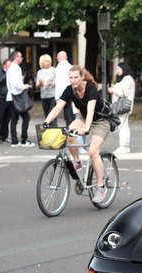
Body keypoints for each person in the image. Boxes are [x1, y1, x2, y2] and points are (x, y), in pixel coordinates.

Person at [44, 66, 111, 203]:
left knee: (93, 152)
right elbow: (58, 108)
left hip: (101, 120)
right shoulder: (70, 90)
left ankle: (101, 186)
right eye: (71, 77)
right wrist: (46, 122)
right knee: (69, 132)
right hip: (84, 118)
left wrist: (86, 128)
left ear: (82, 78)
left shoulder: (91, 88)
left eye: (76, 77)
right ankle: (77, 161)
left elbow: (91, 110)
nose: (73, 80)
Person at [6, 50, 34, 147]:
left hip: (11, 96)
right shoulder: (16, 68)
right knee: (26, 118)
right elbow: (16, 84)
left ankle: (14, 140)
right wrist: (24, 86)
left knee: (14, 119)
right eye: (21, 56)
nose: (22, 58)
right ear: (16, 57)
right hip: (17, 96)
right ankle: (24, 139)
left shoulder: (10, 68)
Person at [108, 62, 135, 154]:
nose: (117, 71)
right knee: (124, 125)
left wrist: (113, 90)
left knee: (122, 126)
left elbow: (125, 93)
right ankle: (125, 146)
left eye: (118, 69)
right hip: (125, 106)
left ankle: (123, 146)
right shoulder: (128, 79)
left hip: (123, 106)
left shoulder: (127, 79)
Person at [0, 59, 12, 145]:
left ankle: (5, 136)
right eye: (8, 66)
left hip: (9, 97)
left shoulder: (12, 73)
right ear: (4, 66)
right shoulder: (0, 73)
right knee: (0, 118)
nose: (10, 68)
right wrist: (7, 74)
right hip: (1, 97)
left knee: (7, 118)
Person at [36, 54, 56, 126]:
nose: (47, 63)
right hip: (44, 95)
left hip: (52, 95)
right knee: (46, 114)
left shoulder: (53, 70)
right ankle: (48, 131)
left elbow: (58, 82)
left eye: (48, 61)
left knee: (52, 114)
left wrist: (51, 84)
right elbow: (37, 86)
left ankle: (54, 130)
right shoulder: (40, 72)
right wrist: (41, 82)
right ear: (42, 62)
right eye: (45, 61)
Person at [54, 51, 73, 127]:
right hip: (71, 93)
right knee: (69, 113)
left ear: (58, 58)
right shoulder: (70, 67)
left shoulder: (59, 67)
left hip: (62, 93)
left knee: (57, 112)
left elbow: (58, 82)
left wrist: (56, 97)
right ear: (66, 57)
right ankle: (70, 130)